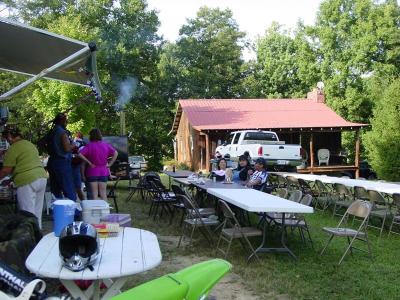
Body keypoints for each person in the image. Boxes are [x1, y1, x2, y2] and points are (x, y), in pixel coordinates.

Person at [0, 127, 48, 228]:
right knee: (37, 212)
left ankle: (29, 238)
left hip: (27, 181)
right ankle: (38, 237)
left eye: (6, 139)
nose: (7, 141)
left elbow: (6, 170)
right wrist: (11, 179)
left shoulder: (13, 147)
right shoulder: (29, 144)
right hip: (41, 177)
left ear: (9, 137)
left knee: (27, 213)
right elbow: (26, 163)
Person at [79, 128, 118, 200]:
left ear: (91, 136)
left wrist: (89, 162)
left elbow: (79, 154)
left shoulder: (89, 145)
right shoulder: (106, 145)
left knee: (94, 195)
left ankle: (95, 210)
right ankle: (105, 211)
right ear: (100, 135)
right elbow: (116, 153)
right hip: (103, 172)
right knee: (103, 194)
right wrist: (110, 164)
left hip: (92, 172)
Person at [47, 113, 77, 201]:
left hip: (52, 161)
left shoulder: (52, 131)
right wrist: (73, 145)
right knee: (68, 188)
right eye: (66, 121)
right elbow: (67, 148)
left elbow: (42, 144)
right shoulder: (62, 132)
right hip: (62, 163)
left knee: (55, 189)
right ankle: (73, 211)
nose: (67, 122)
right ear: (62, 121)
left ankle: (58, 210)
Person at [71, 132, 86, 200]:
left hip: (69, 165)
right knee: (78, 187)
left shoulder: (72, 141)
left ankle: (72, 203)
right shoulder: (83, 143)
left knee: (72, 187)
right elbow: (82, 157)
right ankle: (83, 203)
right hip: (77, 165)